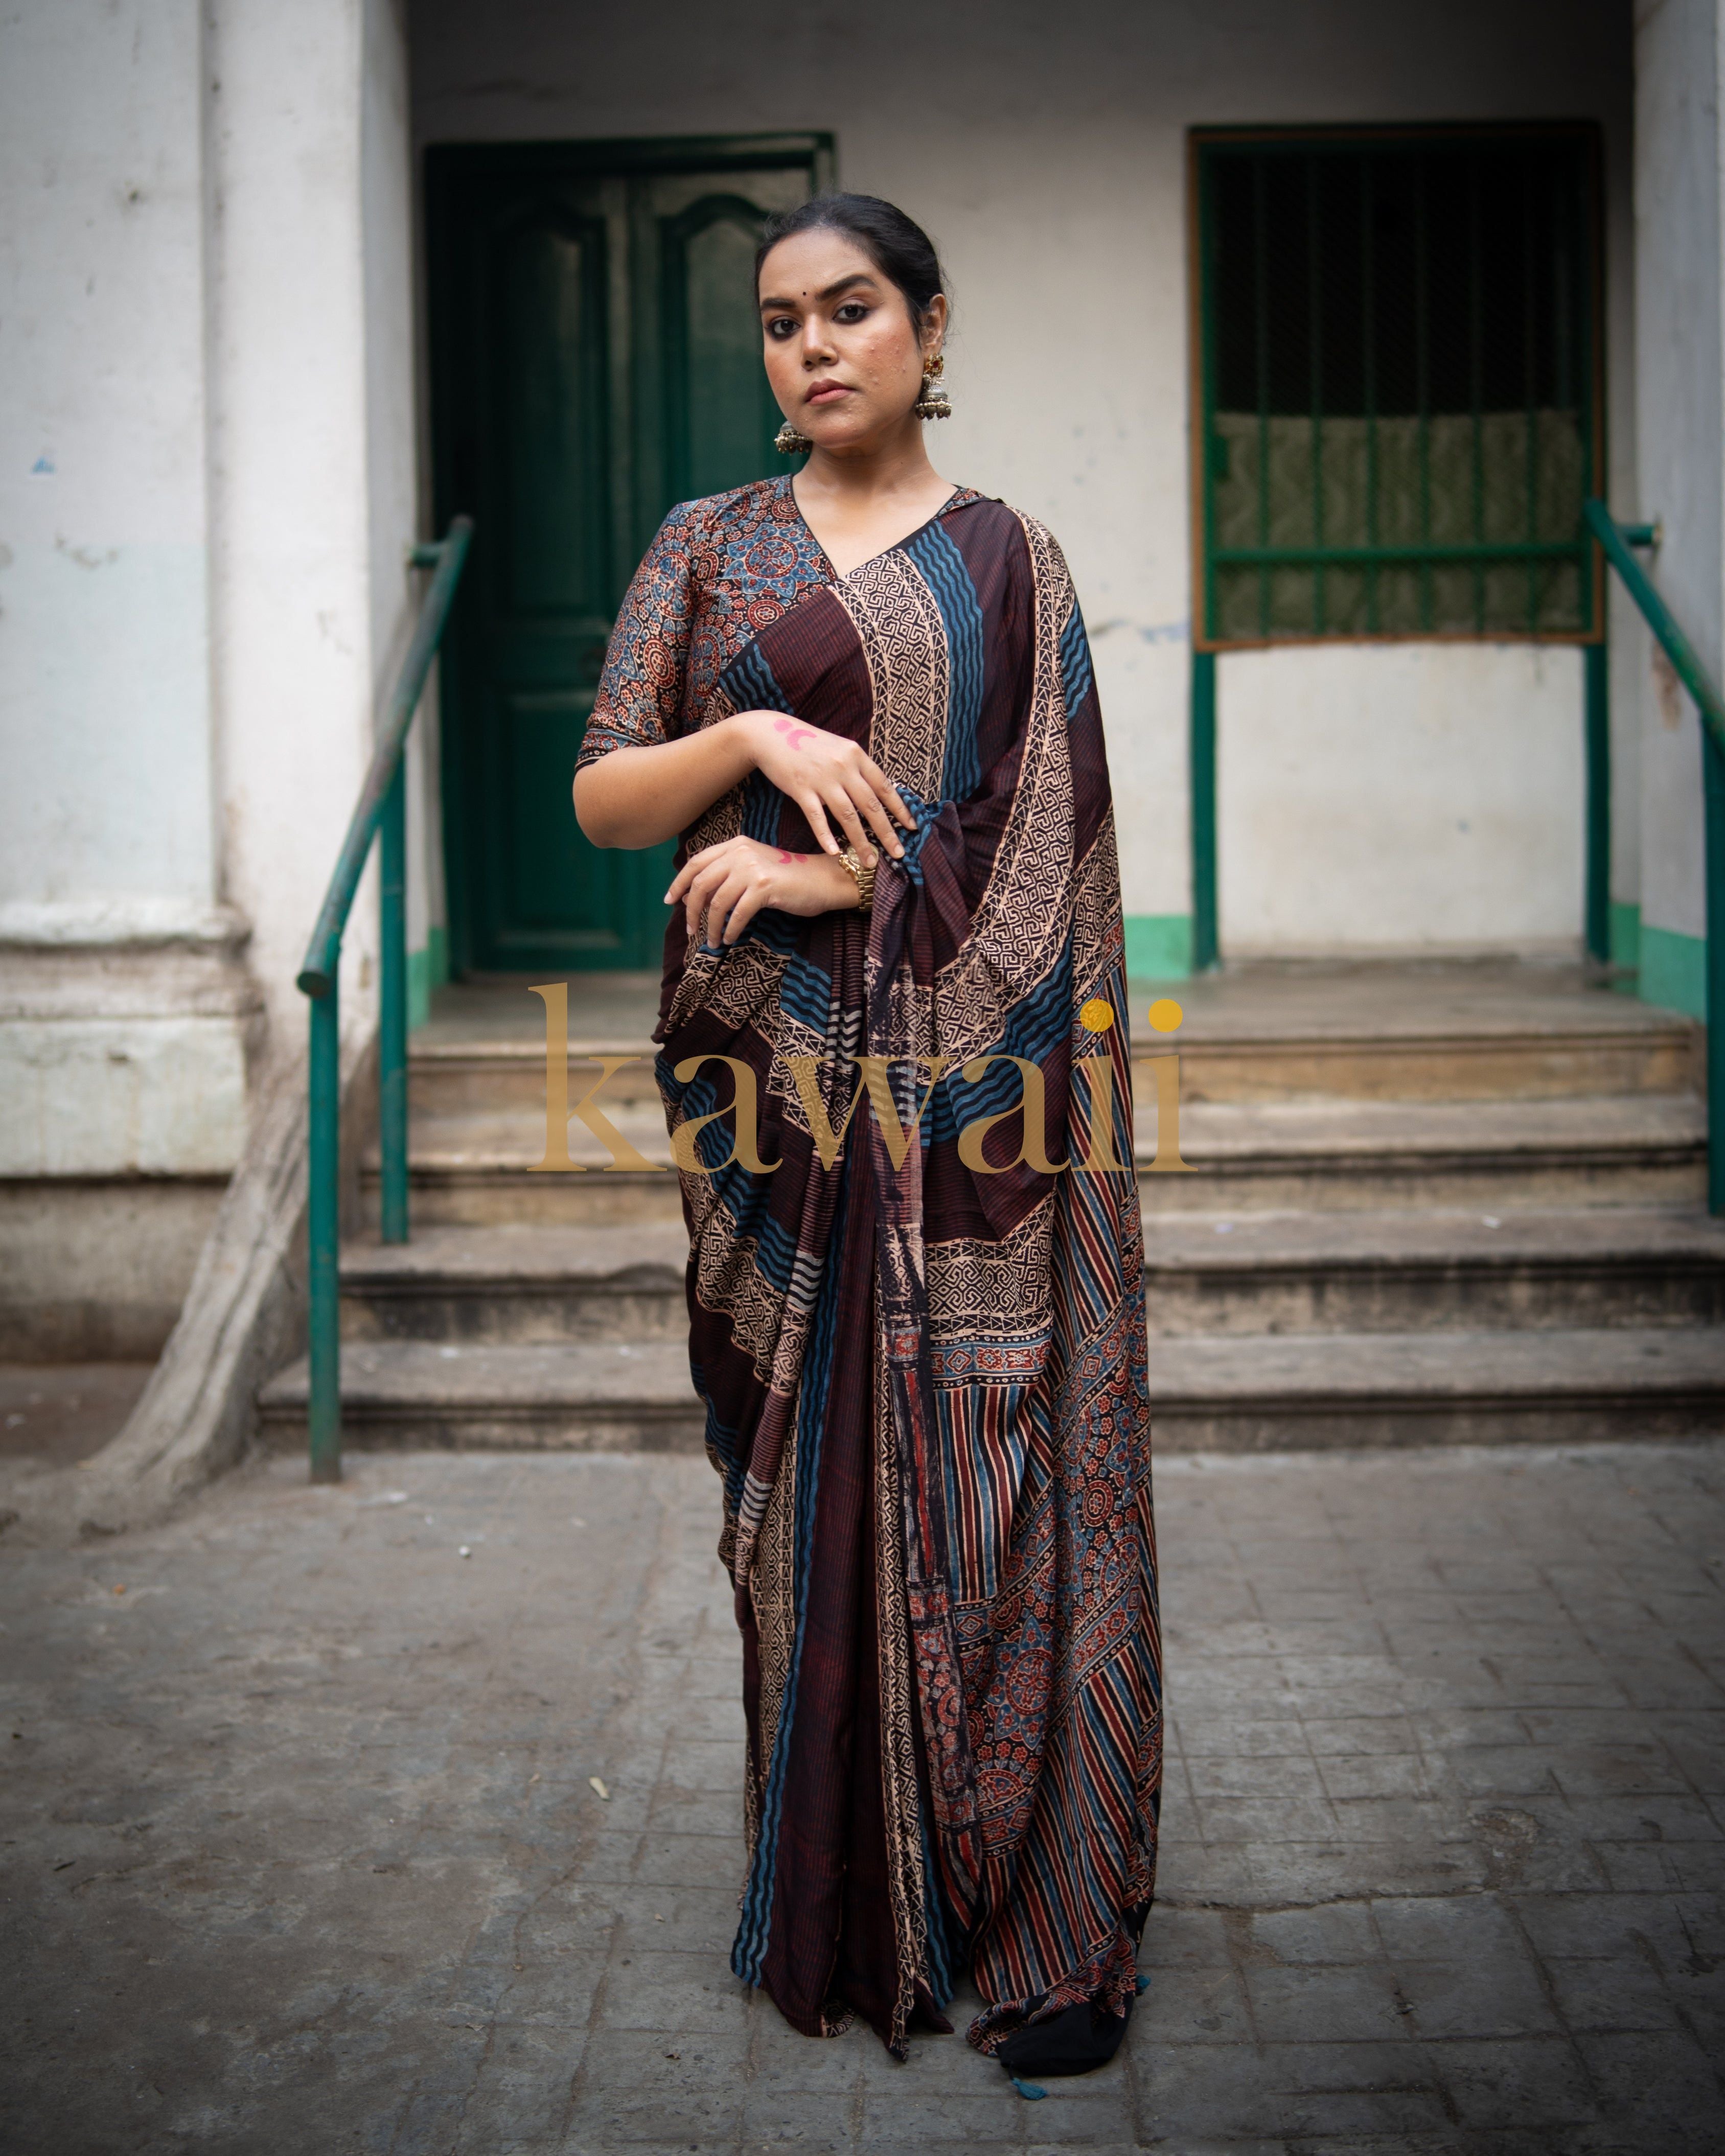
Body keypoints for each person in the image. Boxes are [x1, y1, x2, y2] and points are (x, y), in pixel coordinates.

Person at [572, 193, 1161, 2081]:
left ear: (928, 327)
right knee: (795, 1501)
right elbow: (602, 796)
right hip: (771, 1118)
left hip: (977, 1114)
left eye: (851, 310)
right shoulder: (708, 548)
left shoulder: (1014, 566)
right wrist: (753, 753)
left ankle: (1032, 1905)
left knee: (989, 1476)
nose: (812, 347)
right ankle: (835, 1887)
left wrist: (814, 873)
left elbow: (1038, 853)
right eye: (778, 320)